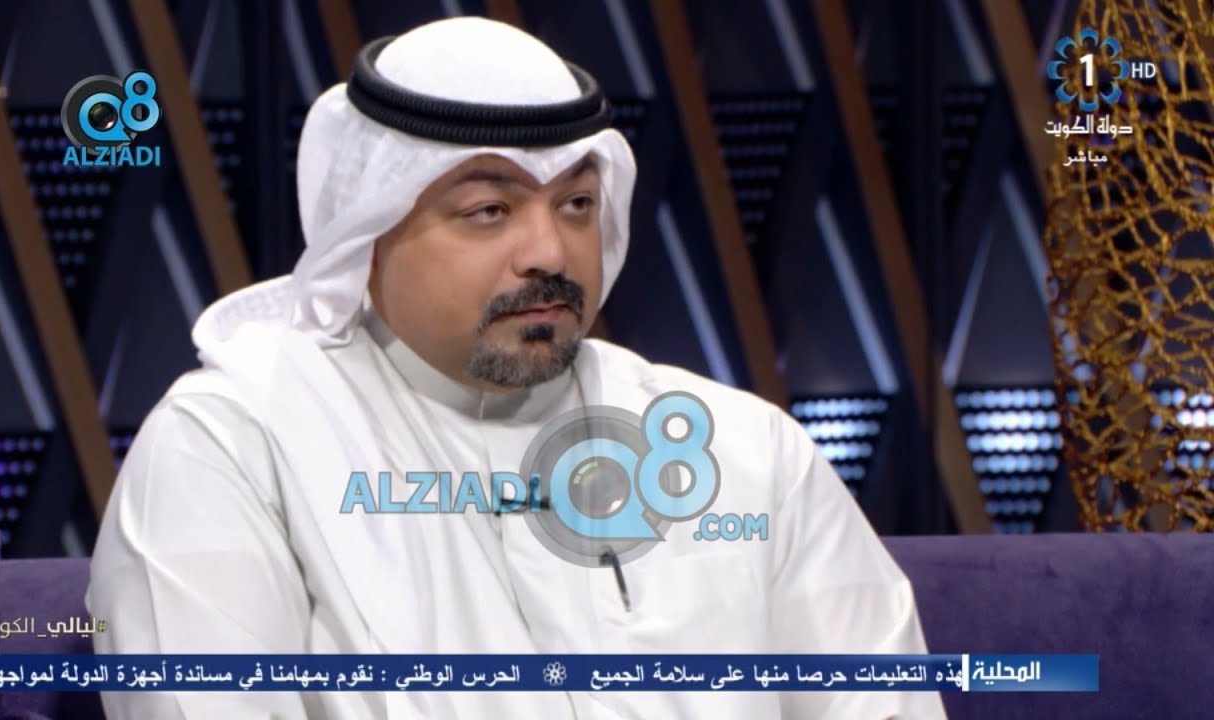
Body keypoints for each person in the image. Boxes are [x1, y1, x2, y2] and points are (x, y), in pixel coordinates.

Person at [86, 16, 945, 720]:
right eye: (489, 210)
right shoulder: (234, 445)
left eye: (576, 204)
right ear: (367, 230)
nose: (550, 252)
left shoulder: (744, 450)